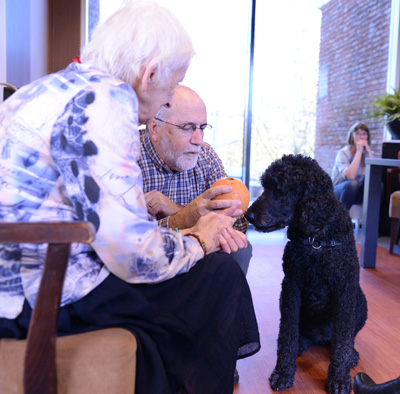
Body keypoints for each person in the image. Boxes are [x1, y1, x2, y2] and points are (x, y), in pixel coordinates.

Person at [0, 2, 260, 394]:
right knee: (219, 275)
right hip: (38, 292)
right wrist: (200, 240)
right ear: (149, 72)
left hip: (21, 277)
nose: (167, 99)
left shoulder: (53, 87)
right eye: (172, 87)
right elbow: (134, 256)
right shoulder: (104, 102)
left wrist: (185, 236)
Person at [138, 85, 252, 276]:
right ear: (155, 129)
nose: (199, 140)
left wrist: (178, 210)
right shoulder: (127, 158)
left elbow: (239, 222)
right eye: (188, 128)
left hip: (199, 253)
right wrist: (186, 222)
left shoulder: (206, 157)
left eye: (202, 128)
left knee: (240, 249)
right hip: (146, 261)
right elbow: (124, 242)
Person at [331, 122, 374, 210]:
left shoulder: (367, 155)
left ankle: (371, 222)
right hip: (339, 191)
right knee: (352, 184)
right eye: (357, 133)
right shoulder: (343, 153)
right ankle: (340, 220)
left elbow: (374, 177)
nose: (361, 137)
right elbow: (351, 176)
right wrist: (359, 152)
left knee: (378, 186)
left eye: (364, 134)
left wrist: (369, 152)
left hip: (356, 192)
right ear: (352, 136)